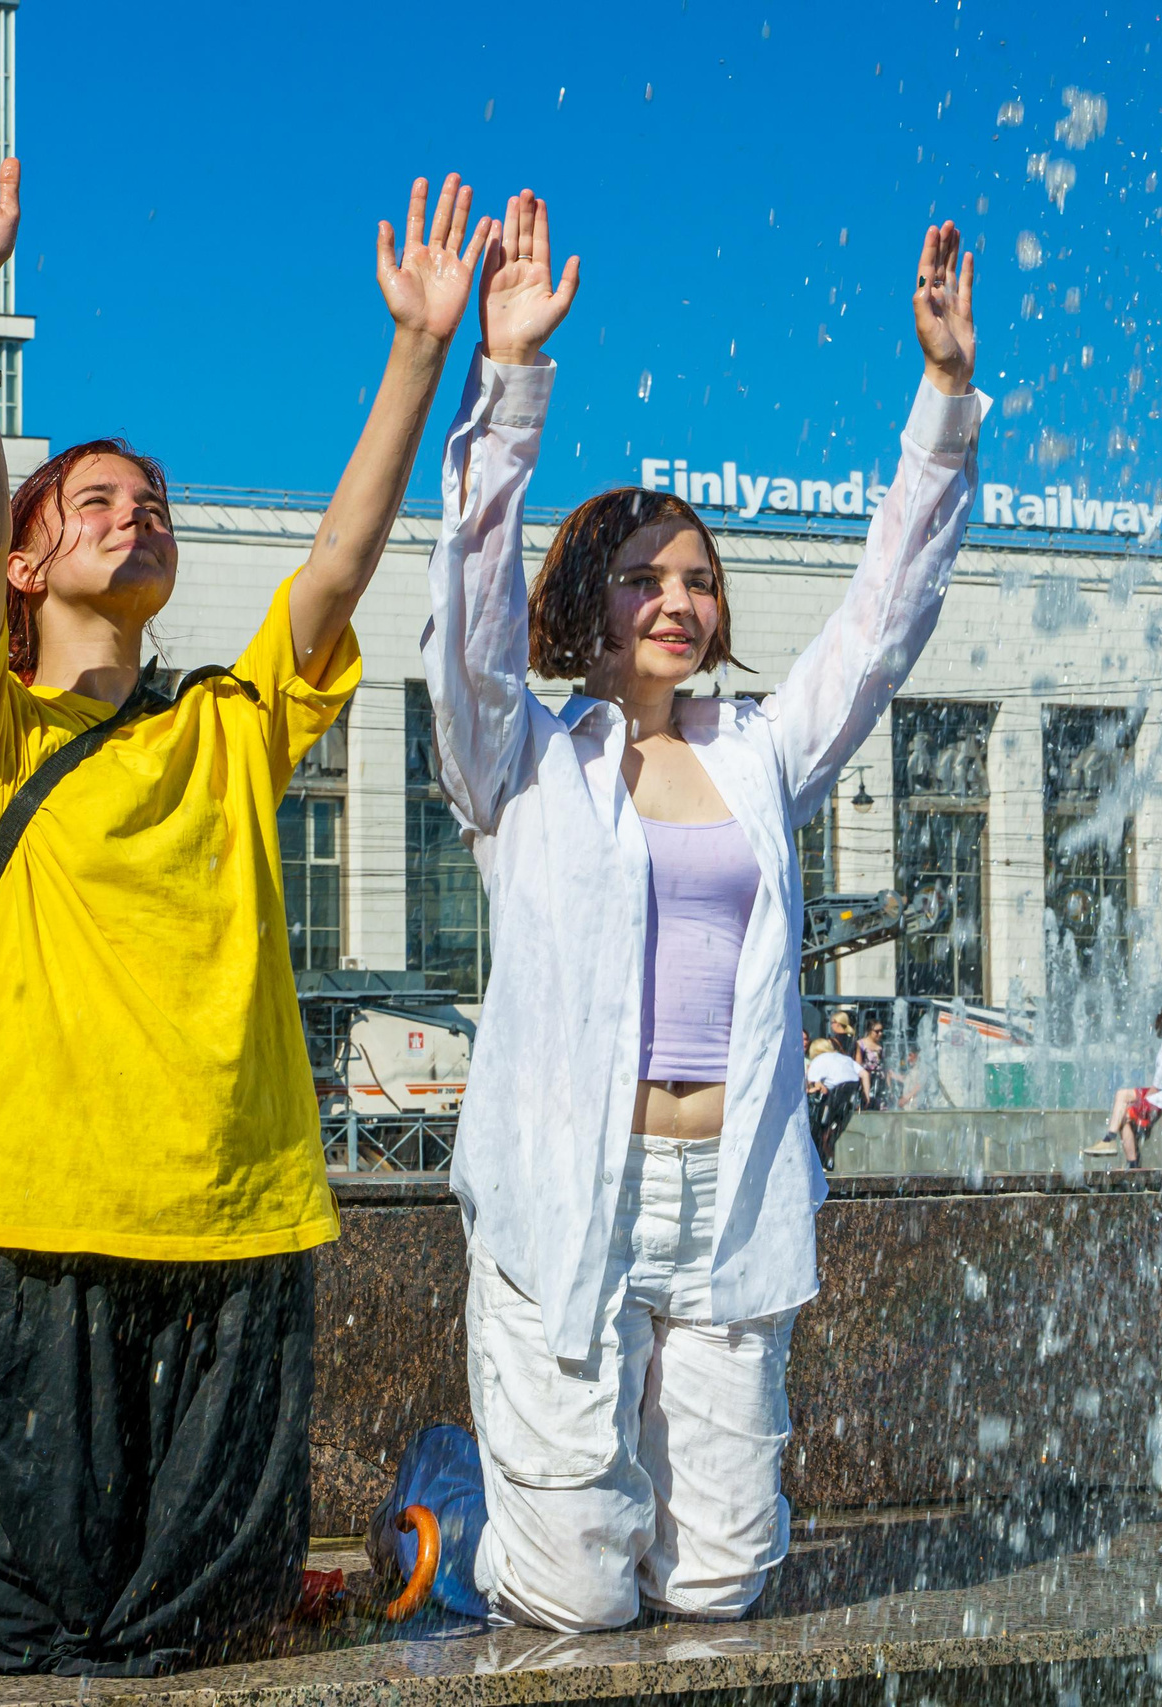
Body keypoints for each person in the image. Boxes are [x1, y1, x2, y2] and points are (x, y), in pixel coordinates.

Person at [0, 84, 490, 1677]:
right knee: (21, 1631)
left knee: (203, 1636)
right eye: (95, 499)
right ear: (36, 562)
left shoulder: (231, 722)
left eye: (150, 500)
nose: (134, 511)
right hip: (30, 1226)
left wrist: (418, 353)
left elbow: (343, 565)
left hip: (233, 1227)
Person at [423, 198, 981, 1631]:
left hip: (721, 1192)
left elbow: (884, 617)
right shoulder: (524, 757)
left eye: (699, 580)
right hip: (571, 1186)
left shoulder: (756, 752)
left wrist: (942, 399)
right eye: (646, 577)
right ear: (585, 605)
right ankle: (458, 1499)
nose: (682, 599)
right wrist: (513, 381)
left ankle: (583, 1502)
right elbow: (470, 604)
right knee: (579, 1597)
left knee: (725, 1581)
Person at [1087, 1006, 1162, 1169]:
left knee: (1125, 1114)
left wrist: (1142, 1108)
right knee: (1122, 1094)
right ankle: (1109, 1139)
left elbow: (1158, 1087)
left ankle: (1129, 1160)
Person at [804, 1038, 864, 1170]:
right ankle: (830, 1159)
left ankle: (823, 1162)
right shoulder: (844, 1058)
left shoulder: (818, 1060)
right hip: (851, 1093)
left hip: (836, 1095)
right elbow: (864, 1074)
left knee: (821, 1130)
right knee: (832, 1132)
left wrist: (813, 1089)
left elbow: (818, 1087)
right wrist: (866, 1099)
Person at [855, 1017, 887, 1108]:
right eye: (877, 1031)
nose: (880, 1034)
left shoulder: (881, 1045)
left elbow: (884, 1065)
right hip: (866, 1078)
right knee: (867, 1104)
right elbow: (858, 1064)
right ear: (869, 1031)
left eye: (881, 1031)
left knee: (880, 1105)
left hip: (879, 1079)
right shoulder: (860, 1044)